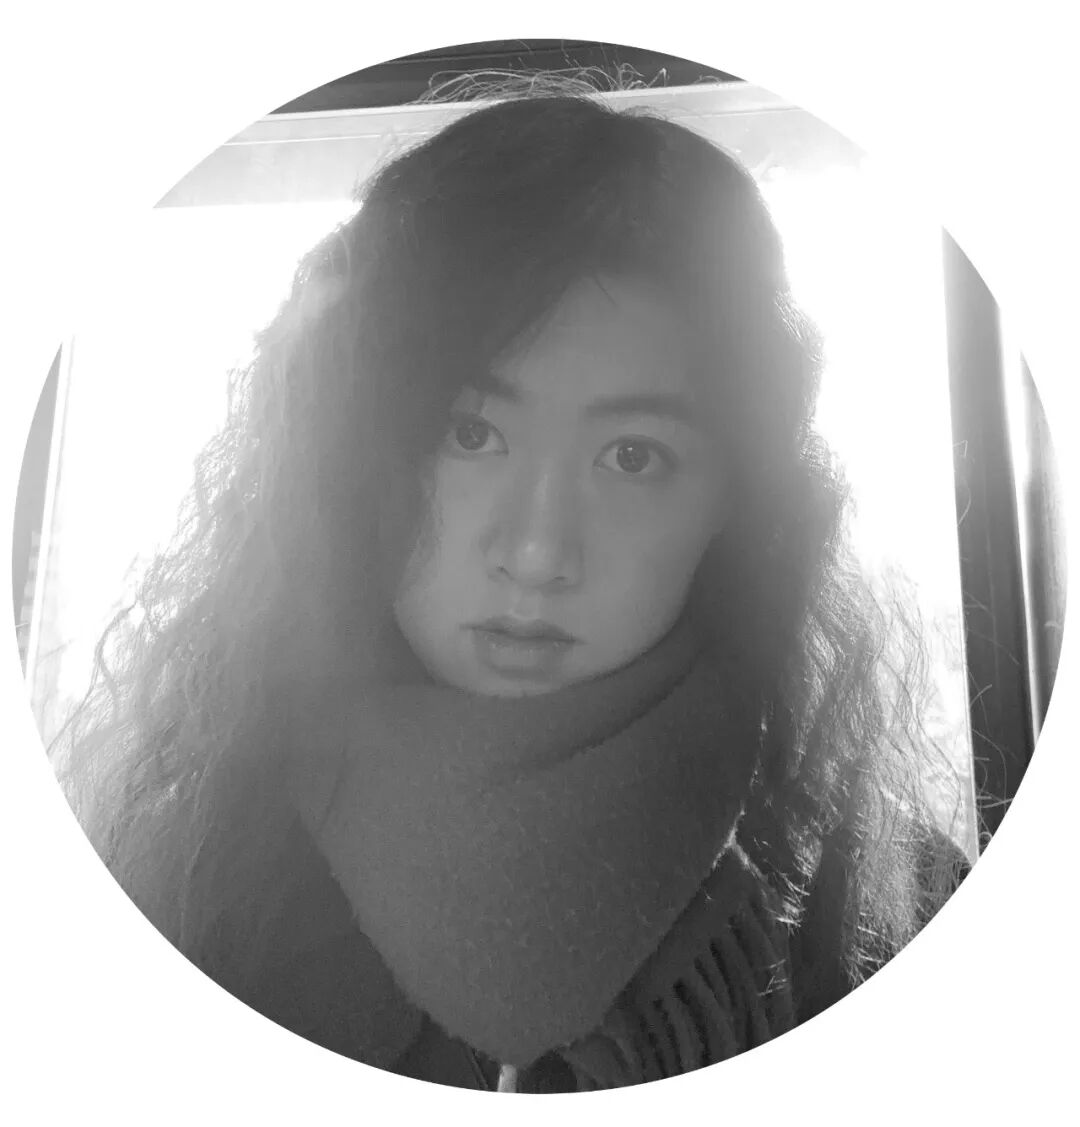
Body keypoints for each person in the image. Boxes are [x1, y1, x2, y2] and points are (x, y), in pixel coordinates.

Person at [58, 76, 967, 1092]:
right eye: (469, 432)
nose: (536, 552)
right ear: (348, 457)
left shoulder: (901, 909)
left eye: (632, 456)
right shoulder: (168, 886)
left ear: (735, 501)